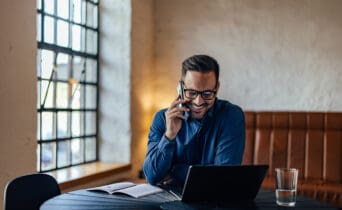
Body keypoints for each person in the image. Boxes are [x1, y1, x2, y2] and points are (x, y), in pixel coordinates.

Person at [143, 54, 245, 190]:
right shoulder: (162, 118)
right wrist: (169, 136)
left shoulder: (231, 116)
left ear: (217, 88)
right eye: (191, 93)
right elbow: (152, 176)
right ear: (180, 88)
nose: (199, 102)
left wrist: (174, 171)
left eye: (207, 93)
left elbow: (223, 177)